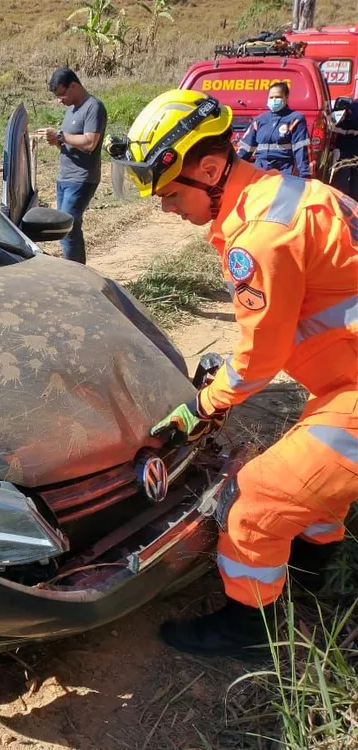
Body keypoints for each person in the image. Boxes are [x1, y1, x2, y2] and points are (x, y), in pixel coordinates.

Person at [107, 88, 357, 658]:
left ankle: (250, 631)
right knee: (314, 482)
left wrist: (201, 406)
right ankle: (314, 582)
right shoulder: (292, 198)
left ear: (212, 168)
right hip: (345, 385)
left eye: (170, 195)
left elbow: (258, 360)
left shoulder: (262, 236)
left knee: (254, 502)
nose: (165, 209)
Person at [35, 67, 107, 265]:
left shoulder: (94, 107)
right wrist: (57, 141)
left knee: (68, 227)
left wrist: (61, 136)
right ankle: (75, 268)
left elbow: (90, 142)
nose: (60, 100)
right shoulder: (71, 110)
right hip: (65, 177)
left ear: (73, 86)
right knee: (67, 226)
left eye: (62, 94)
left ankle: (75, 271)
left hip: (82, 177)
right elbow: (69, 141)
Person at [236, 81, 312, 178]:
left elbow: (300, 149)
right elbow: (246, 148)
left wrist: (305, 175)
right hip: (260, 170)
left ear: (286, 98)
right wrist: (233, 167)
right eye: (271, 97)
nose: (274, 100)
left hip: (284, 171)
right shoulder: (260, 120)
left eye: (278, 97)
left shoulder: (295, 119)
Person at [330, 97, 358, 199]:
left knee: (342, 174)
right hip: (346, 146)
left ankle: (340, 199)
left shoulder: (350, 105)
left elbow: (333, 125)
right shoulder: (351, 106)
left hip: (344, 146)